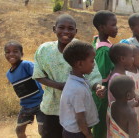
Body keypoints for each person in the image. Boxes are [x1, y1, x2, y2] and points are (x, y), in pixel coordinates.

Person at [33, 14, 104, 138]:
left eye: (70, 28)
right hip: (52, 106)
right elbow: (38, 75)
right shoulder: (44, 50)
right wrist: (59, 86)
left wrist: (97, 87)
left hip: (77, 110)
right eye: (61, 27)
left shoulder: (82, 49)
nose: (66, 31)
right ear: (54, 29)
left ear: (75, 31)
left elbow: (93, 74)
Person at [5, 40, 44, 138]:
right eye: (8, 52)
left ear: (21, 53)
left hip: (40, 103)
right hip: (26, 106)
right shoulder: (8, 74)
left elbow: (40, 75)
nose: (11, 54)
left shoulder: (26, 65)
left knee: (43, 130)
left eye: (15, 51)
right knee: (19, 131)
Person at [60, 40, 99, 138]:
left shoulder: (78, 80)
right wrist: (88, 134)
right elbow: (80, 118)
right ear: (80, 64)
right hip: (77, 133)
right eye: (92, 61)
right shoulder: (76, 89)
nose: (94, 64)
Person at [92, 10, 118, 138]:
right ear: (102, 27)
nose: (116, 28)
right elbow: (102, 76)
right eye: (113, 25)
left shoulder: (97, 40)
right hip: (102, 93)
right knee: (101, 121)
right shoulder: (104, 50)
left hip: (99, 91)